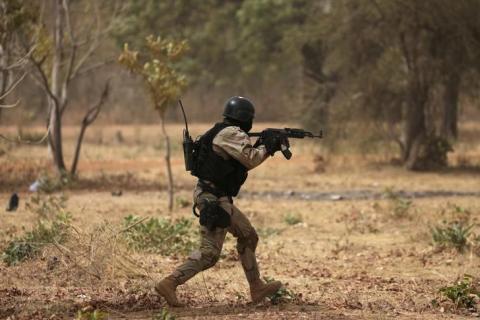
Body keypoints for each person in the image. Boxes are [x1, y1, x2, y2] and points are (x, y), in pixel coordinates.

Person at [155, 96, 285, 307]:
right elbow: (250, 158)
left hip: (218, 196)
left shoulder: (225, 132)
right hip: (212, 198)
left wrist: (264, 142)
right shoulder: (231, 133)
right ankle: (170, 283)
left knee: (248, 236)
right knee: (209, 254)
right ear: (246, 119)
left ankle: (257, 287)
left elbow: (242, 154)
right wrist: (269, 147)